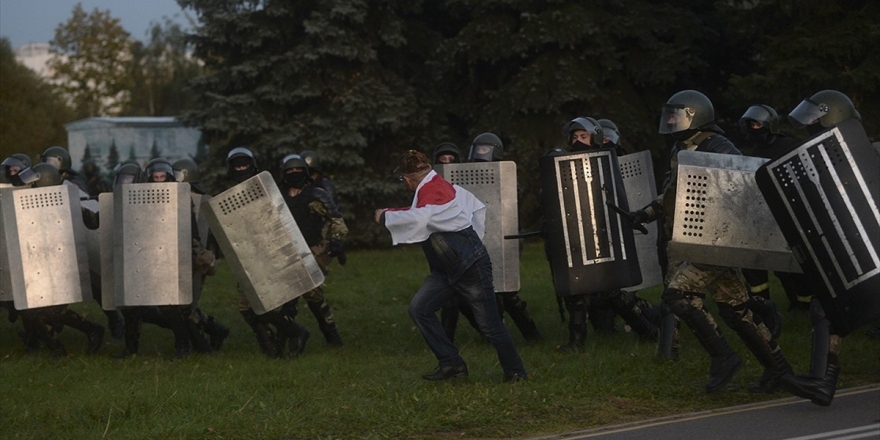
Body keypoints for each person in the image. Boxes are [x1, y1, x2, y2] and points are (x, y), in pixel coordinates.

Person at [629, 90, 792, 393]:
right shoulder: (683, 147)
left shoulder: (720, 148)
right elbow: (672, 193)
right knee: (735, 310)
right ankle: (778, 369)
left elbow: (745, 192)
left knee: (678, 295)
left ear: (696, 116)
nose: (671, 121)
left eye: (677, 115)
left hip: (718, 241)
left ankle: (724, 358)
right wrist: (645, 214)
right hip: (697, 240)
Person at [374, 150, 528, 382]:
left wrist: (386, 217)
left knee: (490, 327)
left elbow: (422, 217)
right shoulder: (436, 187)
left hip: (470, 269)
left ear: (407, 179)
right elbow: (434, 212)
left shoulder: (434, 191)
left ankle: (516, 373)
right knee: (420, 308)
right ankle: (452, 364)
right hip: (448, 270)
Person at [778, 90, 867, 406]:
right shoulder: (824, 161)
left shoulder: (868, 157)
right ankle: (821, 380)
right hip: (859, 255)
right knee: (825, 305)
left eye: (816, 123)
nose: (809, 130)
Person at [552, 117, 661, 351]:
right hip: (578, 232)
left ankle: (649, 328)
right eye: (575, 137)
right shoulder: (567, 163)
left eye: (584, 137)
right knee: (578, 289)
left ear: (595, 137)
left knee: (610, 291)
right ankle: (576, 342)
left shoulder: (609, 161)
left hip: (606, 232)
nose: (578, 141)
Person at [439, 134, 542, 344]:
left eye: (485, 149)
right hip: (477, 236)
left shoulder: (505, 174)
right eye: (478, 149)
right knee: (469, 292)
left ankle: (533, 337)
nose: (480, 153)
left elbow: (511, 200)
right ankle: (488, 335)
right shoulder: (464, 174)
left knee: (508, 293)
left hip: (504, 236)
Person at [225, 147, 311, 358]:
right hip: (247, 254)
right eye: (237, 165)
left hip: (271, 252)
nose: (241, 168)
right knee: (247, 308)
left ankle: (295, 334)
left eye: (244, 164)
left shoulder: (264, 188)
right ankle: (273, 347)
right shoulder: (232, 194)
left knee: (269, 306)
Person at [13, 163, 105, 357]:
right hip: (38, 267)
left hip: (64, 269)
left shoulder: (66, 200)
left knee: (47, 312)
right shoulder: (28, 202)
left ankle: (92, 330)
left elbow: (93, 221)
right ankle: (56, 349)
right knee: (30, 311)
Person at [738, 104, 813, 312]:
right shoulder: (754, 153)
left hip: (790, 214)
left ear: (768, 125)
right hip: (762, 216)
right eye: (750, 125)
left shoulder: (789, 146)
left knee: (794, 267)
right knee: (755, 267)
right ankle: (762, 305)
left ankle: (803, 305)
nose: (754, 129)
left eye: (757, 124)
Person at [279, 153, 348, 347]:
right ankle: (285, 339)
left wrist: (336, 241)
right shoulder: (278, 196)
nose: (294, 173)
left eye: (298, 170)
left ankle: (332, 335)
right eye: (290, 171)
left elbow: (337, 221)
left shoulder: (317, 193)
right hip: (287, 251)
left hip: (314, 250)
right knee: (289, 297)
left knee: (312, 295)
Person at [172, 157, 231, 352]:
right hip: (177, 258)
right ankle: (216, 331)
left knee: (187, 306)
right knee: (183, 305)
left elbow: (214, 234)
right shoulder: (172, 198)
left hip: (199, 258)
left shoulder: (204, 201)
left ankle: (202, 347)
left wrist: (208, 257)